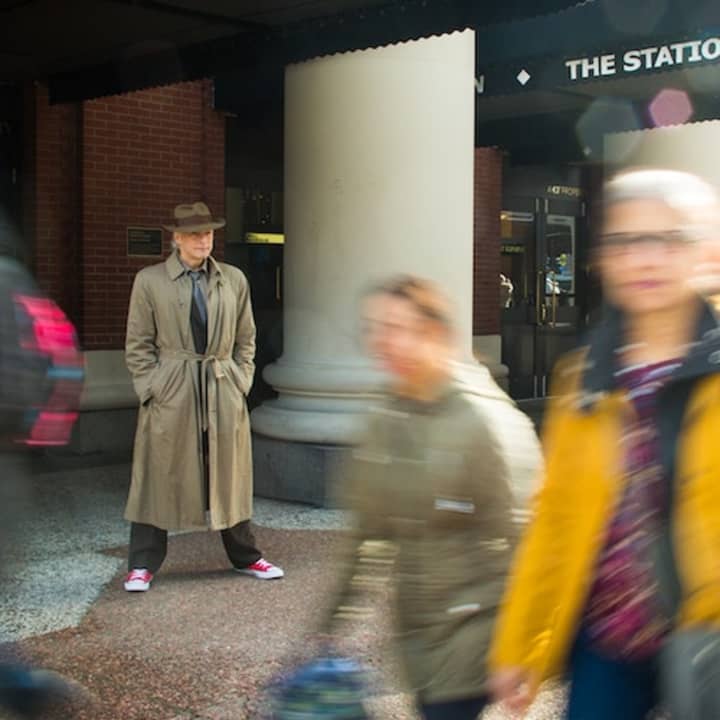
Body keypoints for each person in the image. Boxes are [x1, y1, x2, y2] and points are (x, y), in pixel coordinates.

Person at [488, 168, 720, 719]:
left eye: (668, 238)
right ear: (604, 259)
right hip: (609, 638)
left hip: (708, 633)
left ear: (707, 252)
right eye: (625, 240)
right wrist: (519, 644)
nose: (644, 258)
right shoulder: (582, 378)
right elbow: (555, 519)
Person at [325, 275, 541, 720]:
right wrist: (329, 630)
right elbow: (366, 535)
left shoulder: (482, 421)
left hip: (475, 629)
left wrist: (522, 645)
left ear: (435, 333)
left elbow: (523, 537)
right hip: (418, 633)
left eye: (397, 328)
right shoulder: (384, 416)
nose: (383, 342)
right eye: (375, 328)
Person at [123, 201, 283, 592]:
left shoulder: (233, 279)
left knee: (229, 471)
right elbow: (138, 344)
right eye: (195, 234)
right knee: (157, 469)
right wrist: (152, 387)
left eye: (208, 233)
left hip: (221, 384)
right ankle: (142, 563)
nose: (203, 240)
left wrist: (241, 380)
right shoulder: (150, 280)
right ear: (176, 238)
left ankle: (246, 555)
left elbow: (247, 337)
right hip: (173, 387)